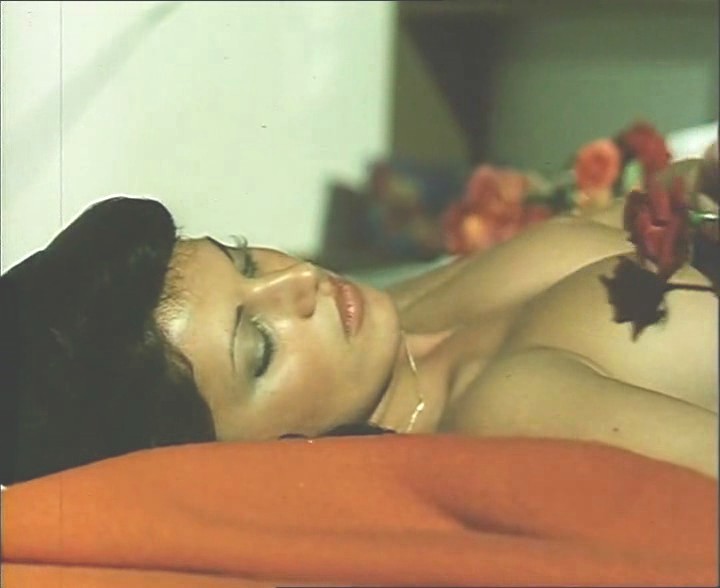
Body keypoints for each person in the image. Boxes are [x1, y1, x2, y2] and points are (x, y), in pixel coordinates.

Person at [1, 159, 717, 486]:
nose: (299, 282)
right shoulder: (505, 407)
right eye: (260, 347)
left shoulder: (403, 314)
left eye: (245, 259)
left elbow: (644, 207)